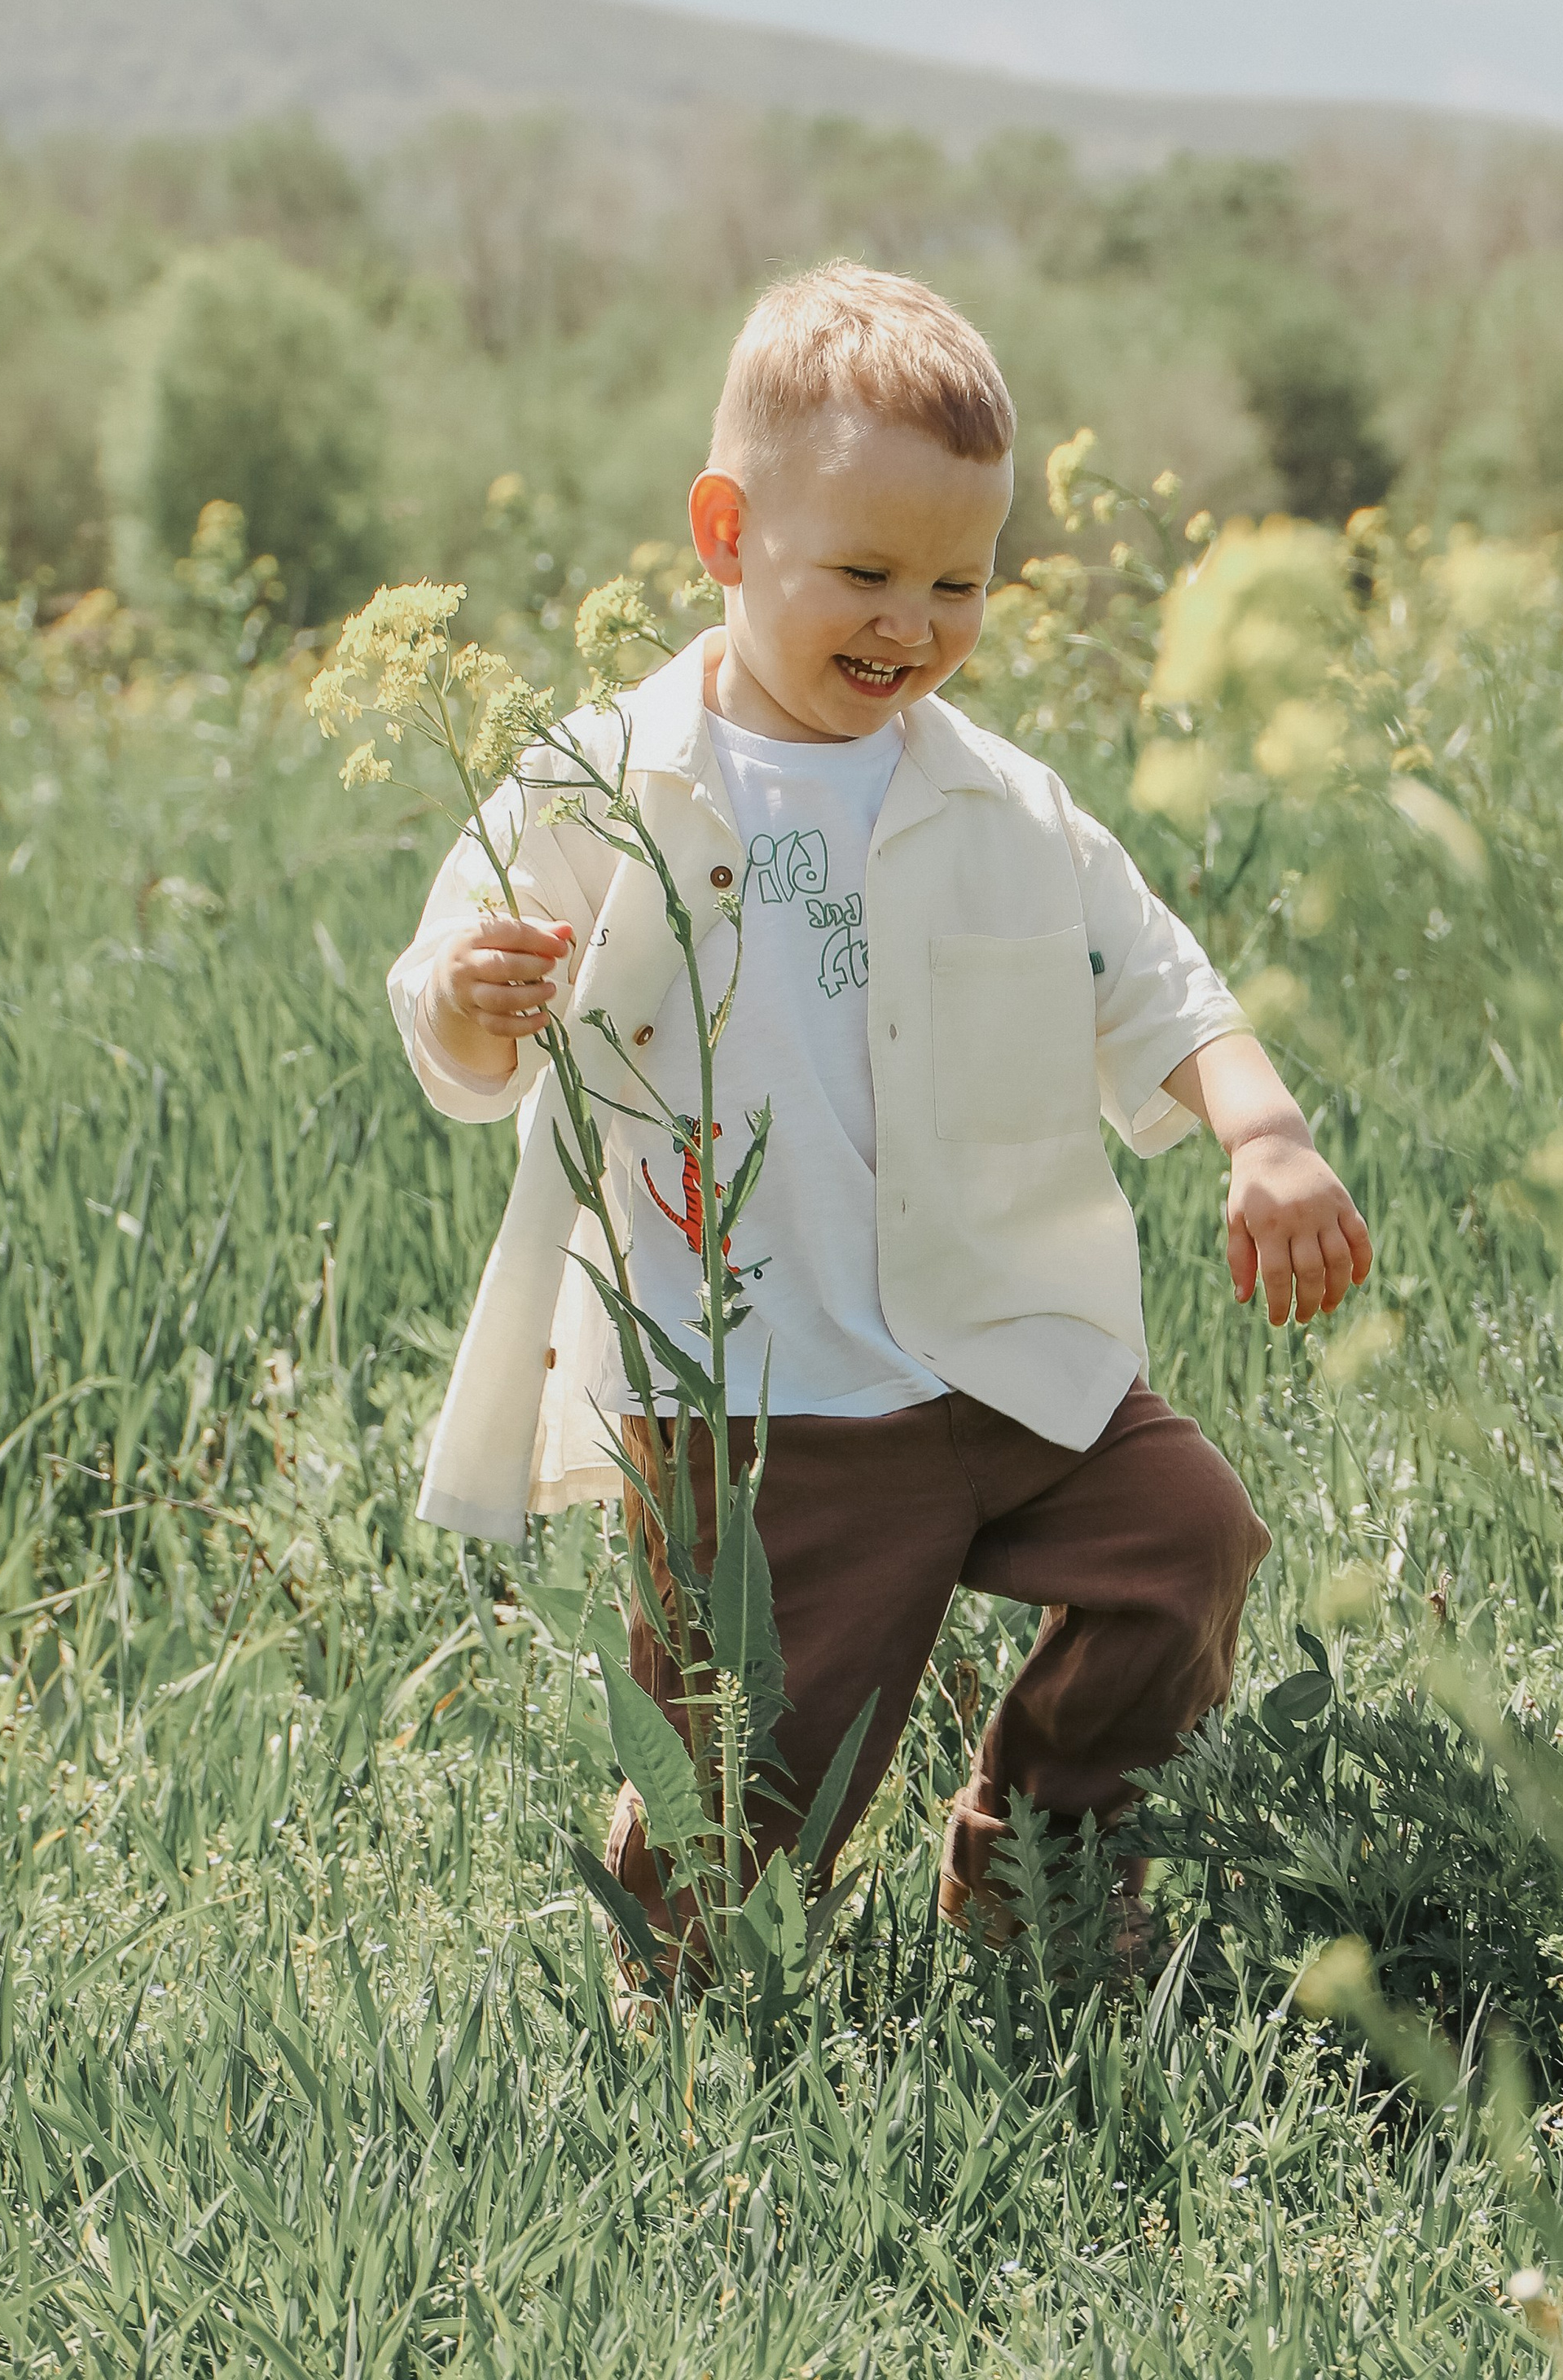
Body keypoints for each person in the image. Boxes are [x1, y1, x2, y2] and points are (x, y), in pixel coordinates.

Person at [388, 261, 1371, 1957]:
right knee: (756, 1789)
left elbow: (1155, 979)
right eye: (861, 571)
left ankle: (1036, 1871)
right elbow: (452, 974)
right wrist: (472, 998)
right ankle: (687, 1992)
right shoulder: (605, 777)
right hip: (764, 1385)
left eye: (958, 582)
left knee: (1183, 1543)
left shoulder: (999, 799)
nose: (909, 623)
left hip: (999, 1344)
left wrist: (1262, 1137)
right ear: (723, 534)